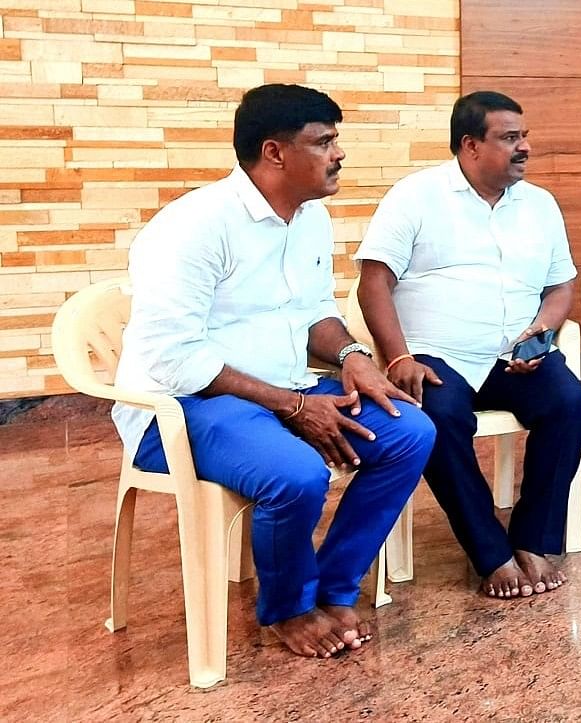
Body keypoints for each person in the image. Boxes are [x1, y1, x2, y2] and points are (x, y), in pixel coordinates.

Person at [113, 84, 436, 659]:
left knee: (410, 432)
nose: (339, 154)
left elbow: (314, 314)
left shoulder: (308, 218)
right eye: (324, 141)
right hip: (181, 408)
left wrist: (351, 357)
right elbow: (173, 357)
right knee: (295, 474)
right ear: (275, 153)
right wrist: (290, 406)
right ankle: (287, 608)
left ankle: (333, 587)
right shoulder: (193, 227)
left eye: (337, 140)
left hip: (285, 391)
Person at [354, 91, 581, 600]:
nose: (524, 146)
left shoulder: (540, 205)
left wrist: (542, 332)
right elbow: (373, 283)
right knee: (438, 413)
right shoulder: (415, 196)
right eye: (509, 138)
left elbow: (560, 285)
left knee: (568, 400)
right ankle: (490, 552)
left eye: (524, 135)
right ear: (470, 145)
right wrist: (398, 357)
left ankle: (533, 538)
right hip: (436, 356)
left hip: (513, 356)